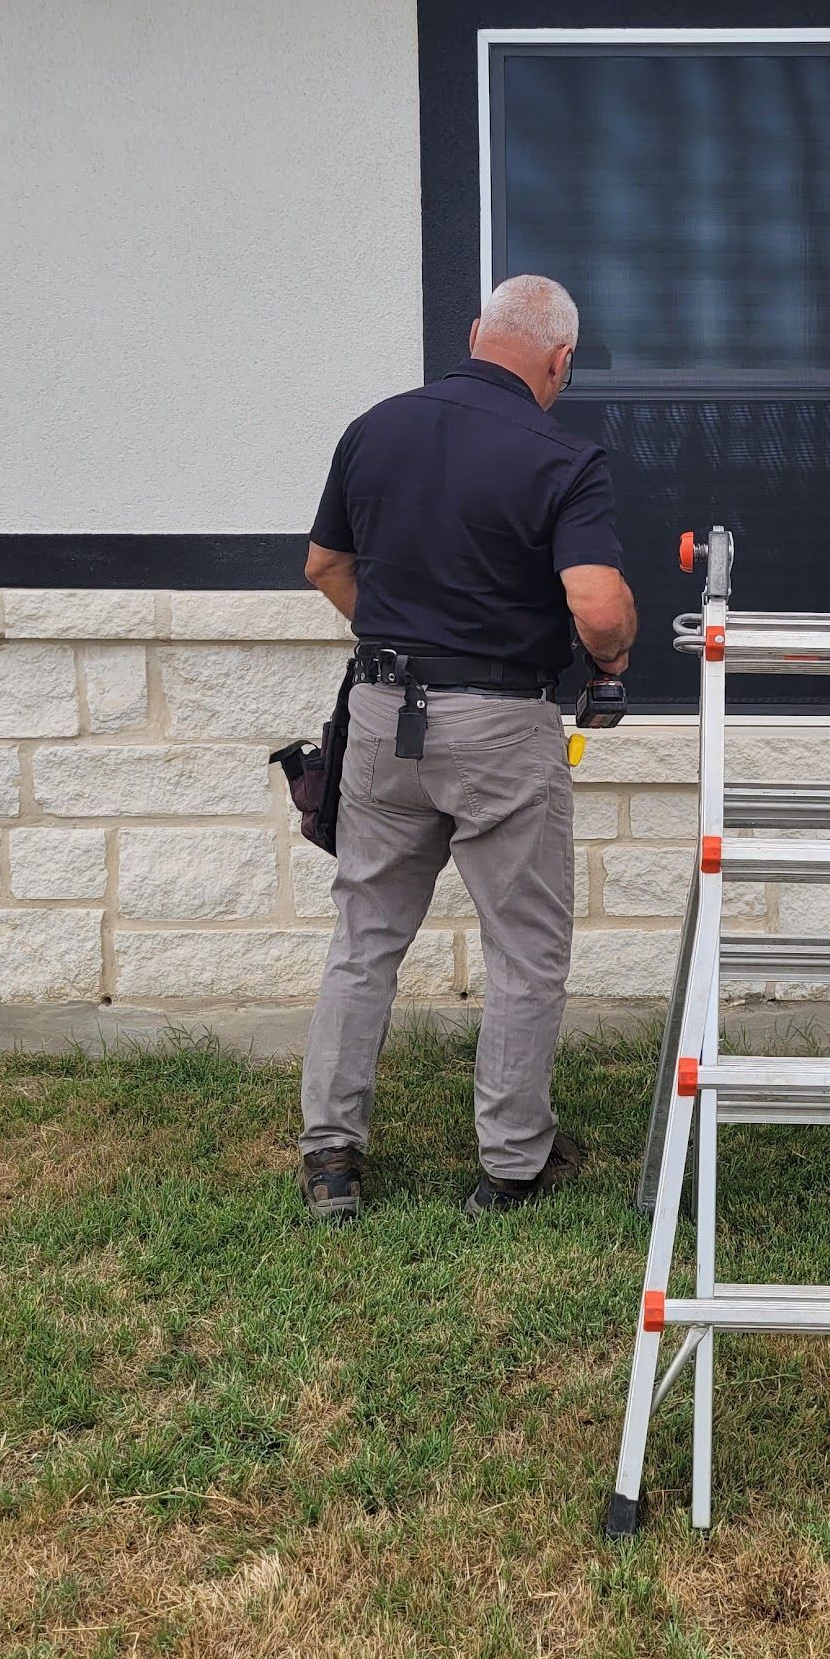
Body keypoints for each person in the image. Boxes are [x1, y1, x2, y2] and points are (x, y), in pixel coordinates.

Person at [297, 274, 636, 1225]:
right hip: (499, 723)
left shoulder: (376, 427)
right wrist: (611, 656)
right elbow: (599, 606)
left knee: (365, 935)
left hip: (381, 713)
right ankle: (511, 1165)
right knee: (524, 950)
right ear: (560, 361)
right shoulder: (563, 457)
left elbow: (324, 564)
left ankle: (330, 1155)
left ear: (477, 333)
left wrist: (406, 645)